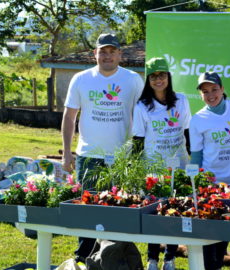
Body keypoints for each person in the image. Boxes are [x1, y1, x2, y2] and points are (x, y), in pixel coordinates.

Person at [61, 33, 144, 263]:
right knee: (88, 209)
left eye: (112, 51)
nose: (107, 56)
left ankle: (117, 257)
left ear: (120, 54)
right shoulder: (81, 78)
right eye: (102, 51)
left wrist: (137, 154)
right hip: (89, 155)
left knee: (122, 208)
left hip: (121, 156)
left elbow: (142, 118)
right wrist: (67, 152)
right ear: (94, 54)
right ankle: (83, 258)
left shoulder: (133, 80)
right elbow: (69, 117)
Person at [132, 57, 191, 270]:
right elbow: (138, 140)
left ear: (169, 77)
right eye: (154, 76)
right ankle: (152, 259)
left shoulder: (182, 100)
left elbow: (187, 131)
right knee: (155, 214)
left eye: (162, 75)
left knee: (176, 212)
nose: (159, 80)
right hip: (153, 168)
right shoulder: (142, 107)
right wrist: (136, 170)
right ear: (148, 79)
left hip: (179, 165)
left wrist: (193, 161)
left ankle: (170, 258)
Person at [189, 71, 230, 270]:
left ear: (222, 89)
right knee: (209, 228)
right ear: (200, 94)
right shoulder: (198, 120)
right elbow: (195, 155)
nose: (210, 94)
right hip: (212, 182)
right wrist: (195, 184)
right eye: (205, 91)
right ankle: (209, 265)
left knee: (226, 227)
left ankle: (217, 264)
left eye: (214, 89)